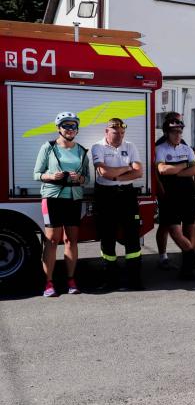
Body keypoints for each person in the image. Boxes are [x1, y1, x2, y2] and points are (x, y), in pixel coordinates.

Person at [33, 112, 91, 297]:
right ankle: (48, 283)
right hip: (52, 198)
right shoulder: (48, 147)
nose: (70, 129)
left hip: (73, 198)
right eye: (66, 125)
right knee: (51, 240)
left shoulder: (82, 151)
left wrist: (79, 178)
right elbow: (37, 174)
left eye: (73, 126)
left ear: (77, 129)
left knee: (71, 240)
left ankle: (71, 280)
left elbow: (87, 178)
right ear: (58, 128)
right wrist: (52, 176)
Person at [91, 117, 144, 291]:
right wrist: (127, 168)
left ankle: (135, 280)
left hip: (127, 195)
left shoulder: (130, 146)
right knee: (107, 237)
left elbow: (138, 173)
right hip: (105, 196)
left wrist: (116, 177)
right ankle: (110, 280)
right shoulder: (97, 147)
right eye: (116, 133)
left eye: (122, 133)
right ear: (106, 132)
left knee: (132, 238)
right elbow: (104, 172)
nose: (120, 136)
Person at [154, 113, 195, 280]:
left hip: (188, 193)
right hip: (170, 196)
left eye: (180, 132)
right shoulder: (160, 148)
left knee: (190, 227)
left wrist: (175, 171)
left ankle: (188, 266)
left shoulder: (186, 148)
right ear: (167, 133)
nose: (178, 135)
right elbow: (162, 170)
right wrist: (185, 165)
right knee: (174, 231)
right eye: (174, 132)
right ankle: (193, 258)